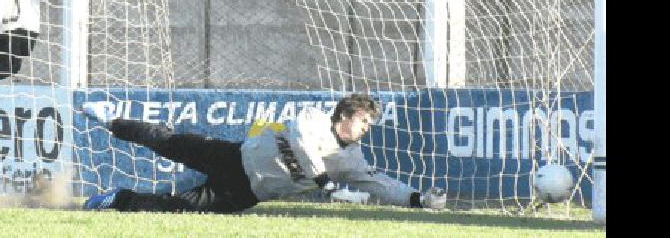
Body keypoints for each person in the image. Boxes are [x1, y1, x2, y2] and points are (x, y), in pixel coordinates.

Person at [79, 93, 447, 213]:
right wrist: (322, 181)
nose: (367, 129)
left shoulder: (352, 160)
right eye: (364, 121)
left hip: (246, 192)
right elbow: (302, 143)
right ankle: (112, 120)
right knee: (167, 141)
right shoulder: (313, 118)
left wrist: (416, 199)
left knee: (180, 209)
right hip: (233, 157)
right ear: (346, 116)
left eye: (369, 124)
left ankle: (119, 200)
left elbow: (379, 184)